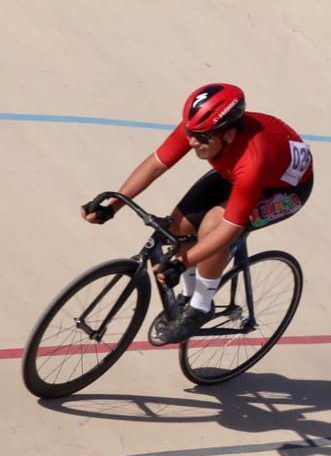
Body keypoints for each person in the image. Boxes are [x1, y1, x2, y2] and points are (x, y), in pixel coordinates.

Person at [82, 84, 313, 344]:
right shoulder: (202, 129)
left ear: (229, 134)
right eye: (190, 134)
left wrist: (182, 263)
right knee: (178, 226)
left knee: (213, 225)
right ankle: (189, 295)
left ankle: (201, 306)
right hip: (236, 171)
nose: (192, 142)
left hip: (283, 191)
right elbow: (156, 165)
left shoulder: (252, 161)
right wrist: (113, 206)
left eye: (201, 138)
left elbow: (229, 228)